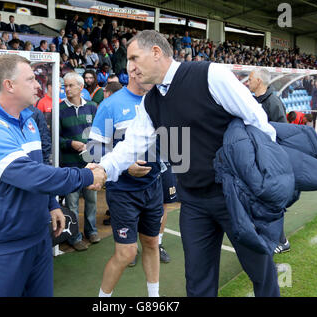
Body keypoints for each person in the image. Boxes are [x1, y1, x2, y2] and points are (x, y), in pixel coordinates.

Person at [95, 30, 279, 297]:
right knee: (197, 282)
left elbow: (258, 122)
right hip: (193, 201)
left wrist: (263, 178)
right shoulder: (151, 101)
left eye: (134, 57)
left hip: (235, 195)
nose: (130, 67)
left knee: (260, 269)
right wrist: (102, 168)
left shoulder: (210, 74)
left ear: (156, 52)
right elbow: (130, 145)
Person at [0, 54, 106, 297]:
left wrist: (51, 203)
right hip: (0, 245)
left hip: (37, 237)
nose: (38, 85)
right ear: (9, 85)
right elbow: (31, 175)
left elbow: (39, 167)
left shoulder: (29, 120)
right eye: (30, 79)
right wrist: (84, 176)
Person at [88, 66, 163, 298]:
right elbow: (93, 149)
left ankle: (154, 298)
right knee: (126, 253)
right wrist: (125, 164)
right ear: (134, 72)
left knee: (152, 243)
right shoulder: (111, 105)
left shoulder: (159, 101)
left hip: (153, 186)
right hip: (122, 191)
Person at [248, 68, 289, 254]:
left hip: (269, 159)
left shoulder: (273, 102)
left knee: (271, 201)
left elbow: (281, 131)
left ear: (258, 81)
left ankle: (281, 240)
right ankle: (264, 236)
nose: (247, 82)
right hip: (255, 157)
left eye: (250, 79)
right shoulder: (251, 100)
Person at [59, 72, 99, 251]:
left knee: (92, 200)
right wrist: (70, 143)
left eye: (70, 86)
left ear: (81, 87)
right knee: (72, 202)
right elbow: (55, 139)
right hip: (70, 165)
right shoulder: (59, 109)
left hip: (90, 163)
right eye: (65, 86)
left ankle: (91, 231)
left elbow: (100, 133)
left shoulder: (92, 107)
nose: (67, 89)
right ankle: (74, 236)